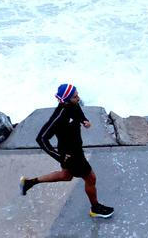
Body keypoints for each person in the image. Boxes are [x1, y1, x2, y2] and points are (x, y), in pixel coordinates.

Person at [19, 83, 114, 219]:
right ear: (67, 99)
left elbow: (78, 111)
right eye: (75, 96)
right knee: (91, 178)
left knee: (66, 176)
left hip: (75, 150)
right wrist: (60, 157)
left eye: (77, 94)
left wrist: (84, 120)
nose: (79, 98)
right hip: (71, 156)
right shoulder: (59, 117)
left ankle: (28, 183)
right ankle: (95, 208)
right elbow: (41, 139)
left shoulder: (73, 105)